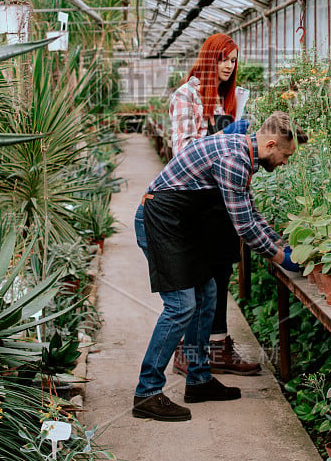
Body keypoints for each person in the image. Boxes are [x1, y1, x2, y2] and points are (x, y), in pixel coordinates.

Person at [132, 111, 308, 422]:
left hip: (181, 226)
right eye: (285, 154)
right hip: (159, 221)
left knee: (207, 293)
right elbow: (244, 227)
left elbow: (250, 212)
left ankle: (198, 380)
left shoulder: (242, 153)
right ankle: (147, 392)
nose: (285, 162)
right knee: (180, 305)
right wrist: (282, 258)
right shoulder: (233, 159)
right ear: (271, 144)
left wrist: (280, 243)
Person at [169, 32, 260, 377]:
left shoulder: (226, 100)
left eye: (234, 61)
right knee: (199, 278)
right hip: (195, 202)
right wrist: (225, 136)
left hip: (220, 200)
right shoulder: (186, 96)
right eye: (224, 59)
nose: (229, 66)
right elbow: (183, 153)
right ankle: (187, 352)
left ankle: (217, 346)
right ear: (210, 58)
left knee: (221, 272)